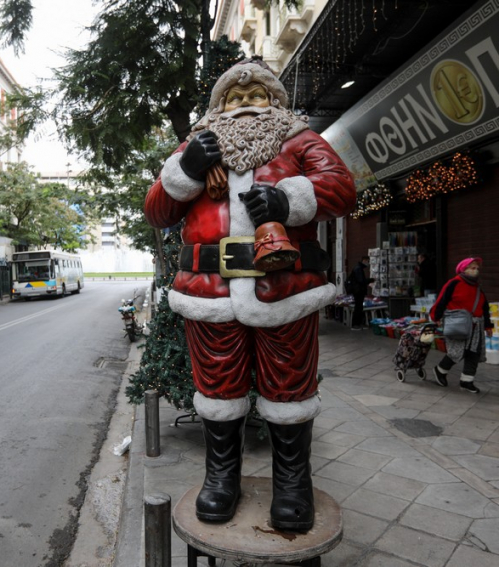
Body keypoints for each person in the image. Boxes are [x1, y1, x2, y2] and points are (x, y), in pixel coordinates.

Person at [144, 56, 356, 531]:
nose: (246, 104)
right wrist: (187, 168)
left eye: (256, 96)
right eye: (235, 98)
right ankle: (221, 478)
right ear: (219, 107)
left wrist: (287, 199)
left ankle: (293, 484)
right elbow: (157, 210)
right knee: (219, 389)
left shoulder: (298, 140)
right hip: (210, 291)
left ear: (275, 102)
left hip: (284, 289)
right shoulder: (196, 147)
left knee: (290, 388)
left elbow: (341, 187)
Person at [429, 257, 493, 393]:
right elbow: (441, 300)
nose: (475, 271)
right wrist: (436, 316)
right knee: (456, 352)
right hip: (457, 323)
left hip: (476, 326)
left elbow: (485, 308)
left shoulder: (478, 288)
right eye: (472, 268)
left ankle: (467, 381)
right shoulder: (453, 283)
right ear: (463, 269)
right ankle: (440, 370)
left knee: (473, 353)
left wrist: (488, 326)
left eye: (477, 268)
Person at [348, 256, 373, 330]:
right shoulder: (358, 269)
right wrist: (370, 280)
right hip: (358, 291)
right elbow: (361, 281)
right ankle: (355, 324)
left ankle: (359, 323)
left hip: (358, 291)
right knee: (358, 307)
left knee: (359, 307)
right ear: (364, 260)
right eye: (368, 261)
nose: (368, 263)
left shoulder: (359, 268)